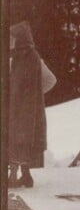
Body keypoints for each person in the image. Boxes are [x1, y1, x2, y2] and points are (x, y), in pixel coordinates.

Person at [8, 22, 56, 188]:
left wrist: (33, 94)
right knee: (24, 139)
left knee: (14, 139)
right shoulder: (34, 57)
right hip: (29, 109)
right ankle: (25, 175)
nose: (10, 41)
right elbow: (50, 80)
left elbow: (50, 80)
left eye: (13, 38)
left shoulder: (15, 59)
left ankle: (14, 176)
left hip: (17, 108)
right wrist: (35, 96)